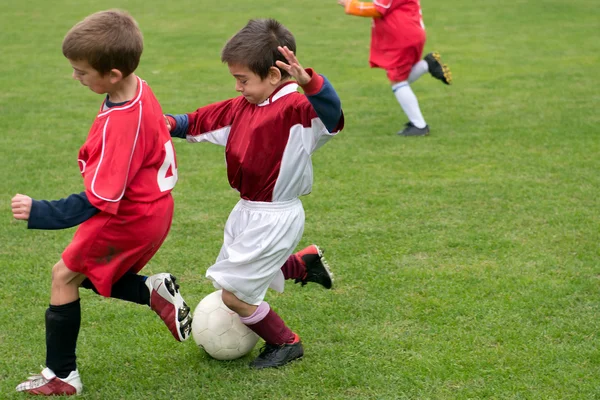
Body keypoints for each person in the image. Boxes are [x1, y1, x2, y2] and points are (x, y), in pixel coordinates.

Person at [11, 9, 192, 396]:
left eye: (80, 71)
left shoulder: (119, 122)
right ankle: (150, 291)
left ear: (112, 74)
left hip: (127, 215)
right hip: (153, 209)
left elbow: (101, 197)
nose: (74, 77)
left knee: (64, 275)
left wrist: (42, 211)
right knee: (90, 273)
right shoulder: (137, 87)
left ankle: (62, 376)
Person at [164, 18, 344, 369]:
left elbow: (333, 116)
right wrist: (163, 124)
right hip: (246, 210)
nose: (237, 87)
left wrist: (312, 84)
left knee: (234, 295)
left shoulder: (298, 109)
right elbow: (197, 121)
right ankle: (302, 265)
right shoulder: (242, 106)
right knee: (235, 274)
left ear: (274, 76)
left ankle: (285, 342)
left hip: (276, 215)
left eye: (242, 79)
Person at [337, 0, 452, 136]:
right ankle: (428, 65)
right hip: (409, 33)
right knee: (399, 78)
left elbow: (378, 9)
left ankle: (419, 125)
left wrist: (351, 5)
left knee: (398, 81)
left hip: (403, 37)